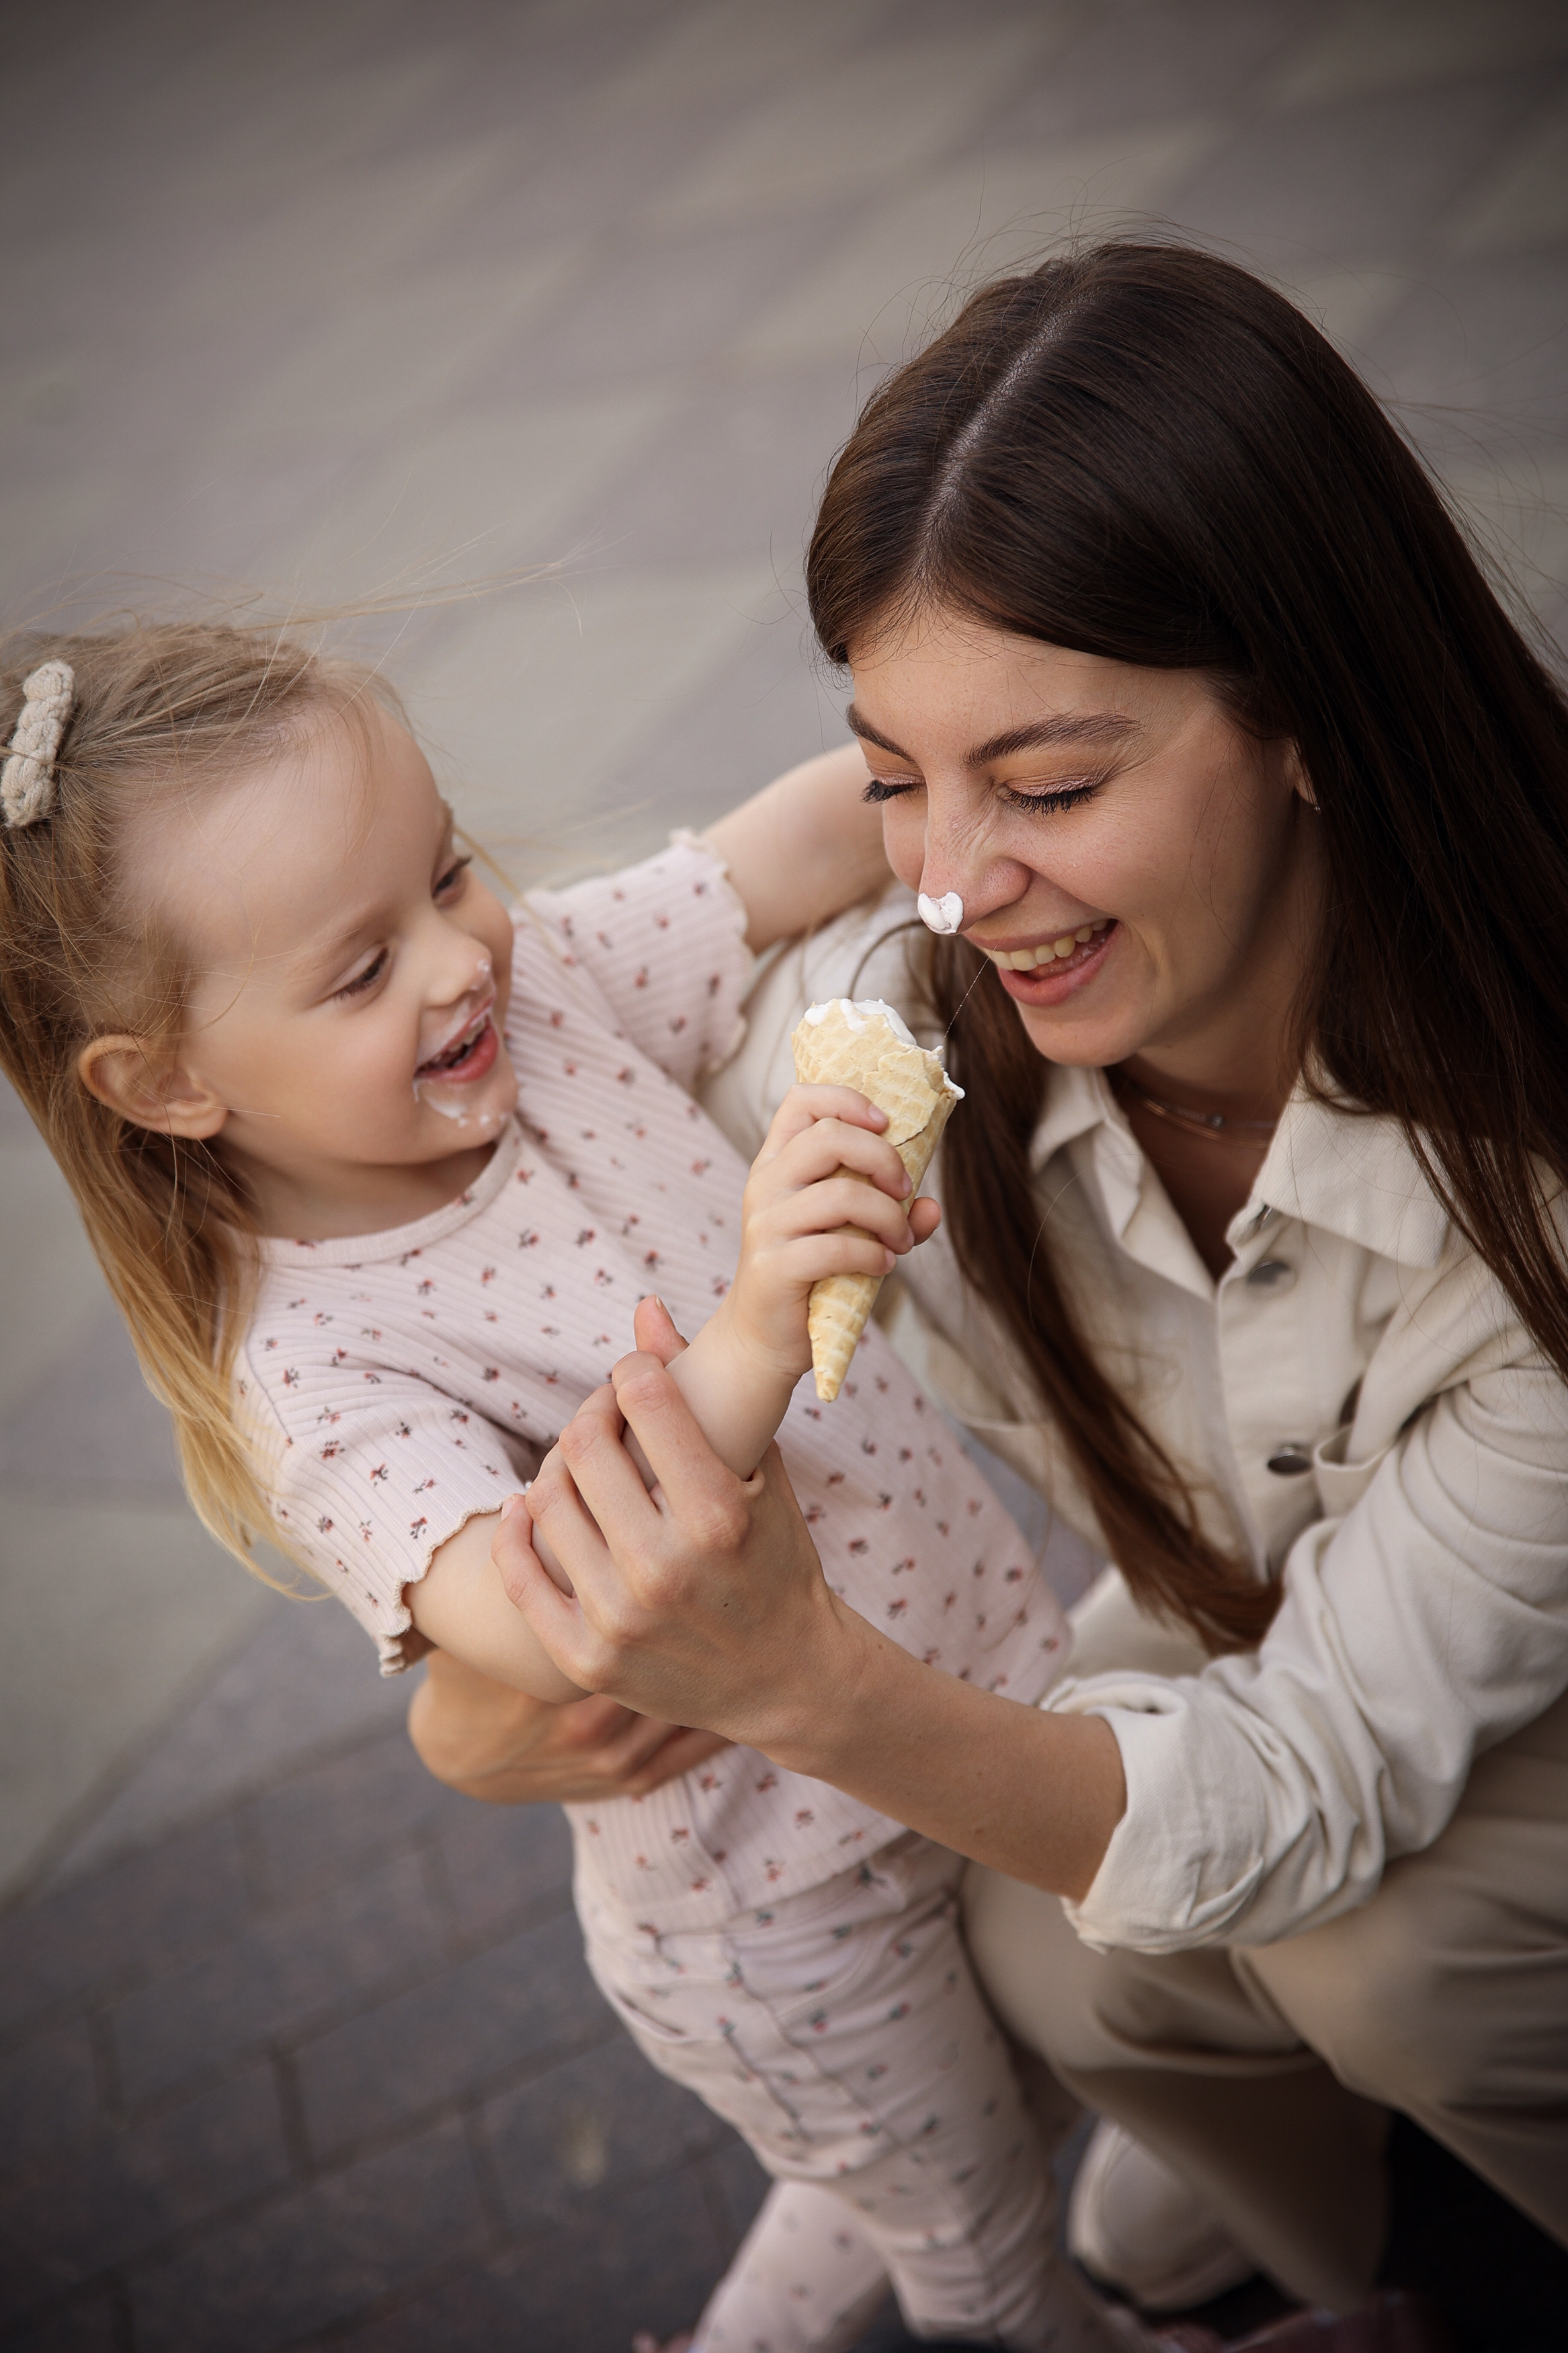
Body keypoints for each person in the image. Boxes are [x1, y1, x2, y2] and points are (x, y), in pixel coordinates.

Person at [487, 244, 1568, 2334]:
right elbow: (479, 1095)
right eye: (892, 774)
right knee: (1051, 1936)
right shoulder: (898, 1034)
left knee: (1370, 1952)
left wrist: (809, 1680)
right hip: (1293, 1633)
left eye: (1052, 786)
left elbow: (1319, 1777)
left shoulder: (1526, 1165)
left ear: (1310, 722)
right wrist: (473, 1703)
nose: (958, 886)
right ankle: (1368, 2244)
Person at [0, 621, 1164, 2353]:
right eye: (354, 969)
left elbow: (762, 863)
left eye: (447, 871)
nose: (458, 962)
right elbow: (543, 1609)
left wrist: (958, 792)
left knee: (976, 2124)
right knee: (979, 2250)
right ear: (165, 1082)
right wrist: (764, 1315)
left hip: (953, 1713)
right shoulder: (313, 1369)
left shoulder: (537, 994)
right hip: (781, 1912)